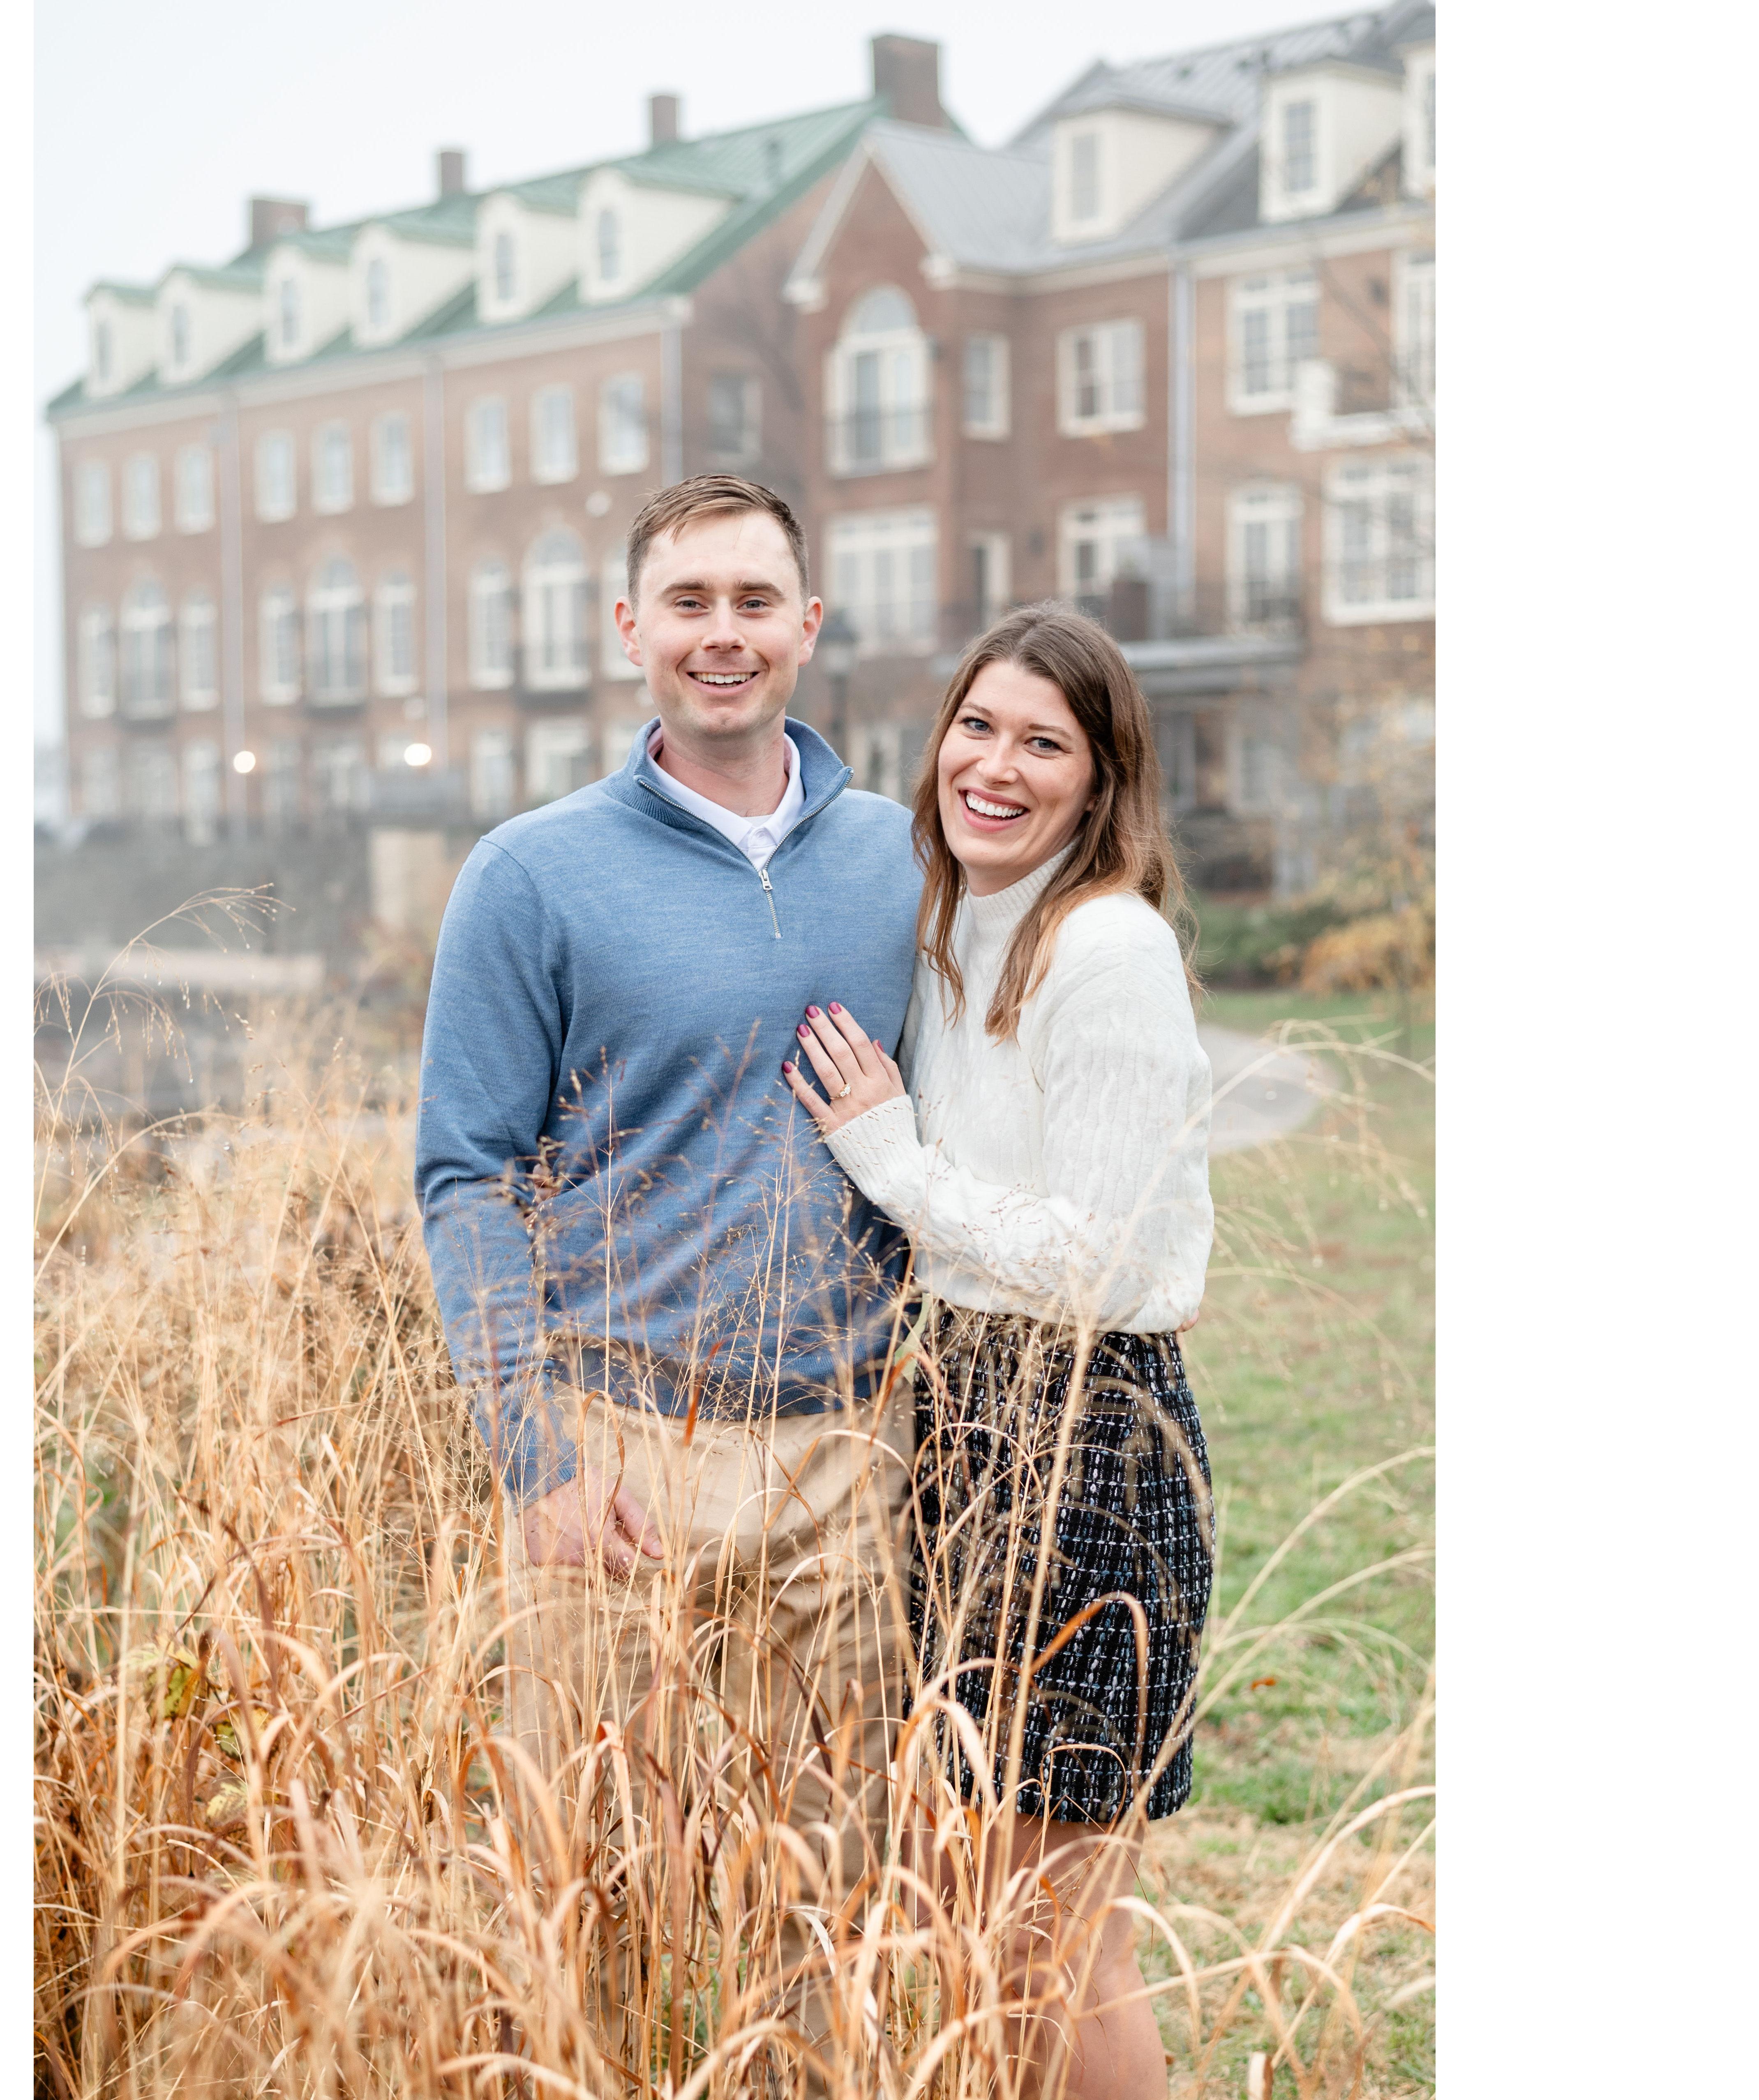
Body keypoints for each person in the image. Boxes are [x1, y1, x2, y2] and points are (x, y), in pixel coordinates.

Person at [415, 474, 921, 2076]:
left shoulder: (909, 862)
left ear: (808, 628)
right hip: (617, 1456)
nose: (724, 635)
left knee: (831, 1909)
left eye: (755, 602)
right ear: (629, 629)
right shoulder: (531, 875)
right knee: (603, 1898)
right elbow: (465, 1174)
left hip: (854, 1456)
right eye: (688, 602)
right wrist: (537, 1457)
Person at [784, 602, 1215, 2100]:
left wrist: (888, 1159)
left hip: (1089, 1446)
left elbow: (1098, 1259)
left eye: (1047, 743)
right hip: (965, 1433)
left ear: (1101, 783)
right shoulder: (963, 914)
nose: (999, 766)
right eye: (980, 726)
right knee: (975, 1904)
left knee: (1053, 1932)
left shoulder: (1106, 949)